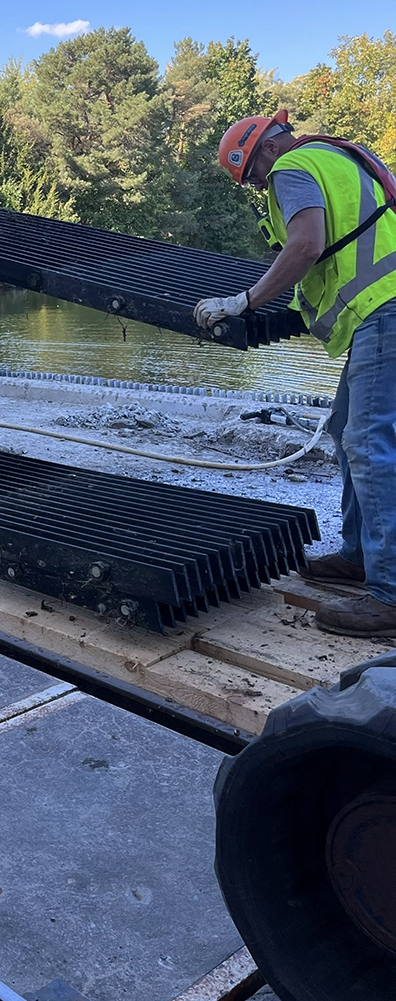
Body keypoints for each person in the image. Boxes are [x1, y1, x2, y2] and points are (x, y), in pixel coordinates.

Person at [194, 108, 396, 637]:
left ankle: (390, 595)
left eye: (252, 177)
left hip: (385, 310)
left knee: (369, 443)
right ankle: (359, 557)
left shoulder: (292, 167)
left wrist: (246, 299)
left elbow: (304, 243)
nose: (259, 187)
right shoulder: (340, 157)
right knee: (345, 429)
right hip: (382, 312)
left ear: (264, 149)